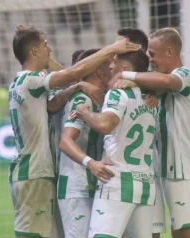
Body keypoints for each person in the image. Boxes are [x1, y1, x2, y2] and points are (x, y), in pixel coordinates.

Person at [8, 24, 140, 238]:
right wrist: (111, 49)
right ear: (34, 51)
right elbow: (72, 73)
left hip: (37, 172)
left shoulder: (23, 82)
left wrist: (77, 86)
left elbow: (52, 105)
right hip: (34, 171)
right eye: (45, 45)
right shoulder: (31, 80)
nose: (49, 50)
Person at [110, 27, 190, 238]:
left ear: (170, 52)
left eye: (153, 54)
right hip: (170, 170)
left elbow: (167, 82)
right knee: (179, 234)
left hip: (185, 170)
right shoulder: (160, 84)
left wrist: (126, 74)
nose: (150, 59)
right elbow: (159, 84)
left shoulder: (185, 74)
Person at [76, 49, 157, 238]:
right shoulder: (152, 98)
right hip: (145, 183)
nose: (111, 66)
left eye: (114, 62)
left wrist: (84, 112)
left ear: (125, 68)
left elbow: (105, 124)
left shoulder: (118, 93)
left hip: (118, 180)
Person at [116, 27, 166, 238]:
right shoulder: (119, 77)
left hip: (147, 168)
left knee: (149, 232)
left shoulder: (158, 81)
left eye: (119, 44)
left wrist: (143, 85)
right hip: (119, 172)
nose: (114, 49)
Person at [56, 48, 112, 238]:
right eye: (109, 66)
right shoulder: (82, 99)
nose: (114, 68)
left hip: (92, 183)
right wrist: (91, 163)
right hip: (76, 186)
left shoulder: (100, 100)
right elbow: (65, 141)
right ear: (100, 73)